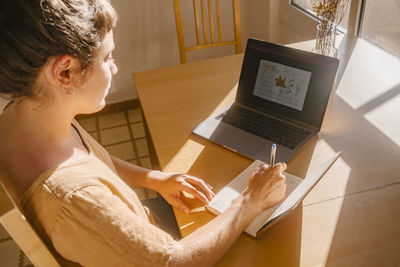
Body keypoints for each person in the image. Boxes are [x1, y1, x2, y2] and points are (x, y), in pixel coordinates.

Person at [0, 0, 287, 266]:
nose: (114, 67)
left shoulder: (23, 115)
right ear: (65, 73)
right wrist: (249, 200)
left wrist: (154, 179)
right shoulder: (75, 200)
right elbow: (175, 262)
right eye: (107, 57)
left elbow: (92, 162)